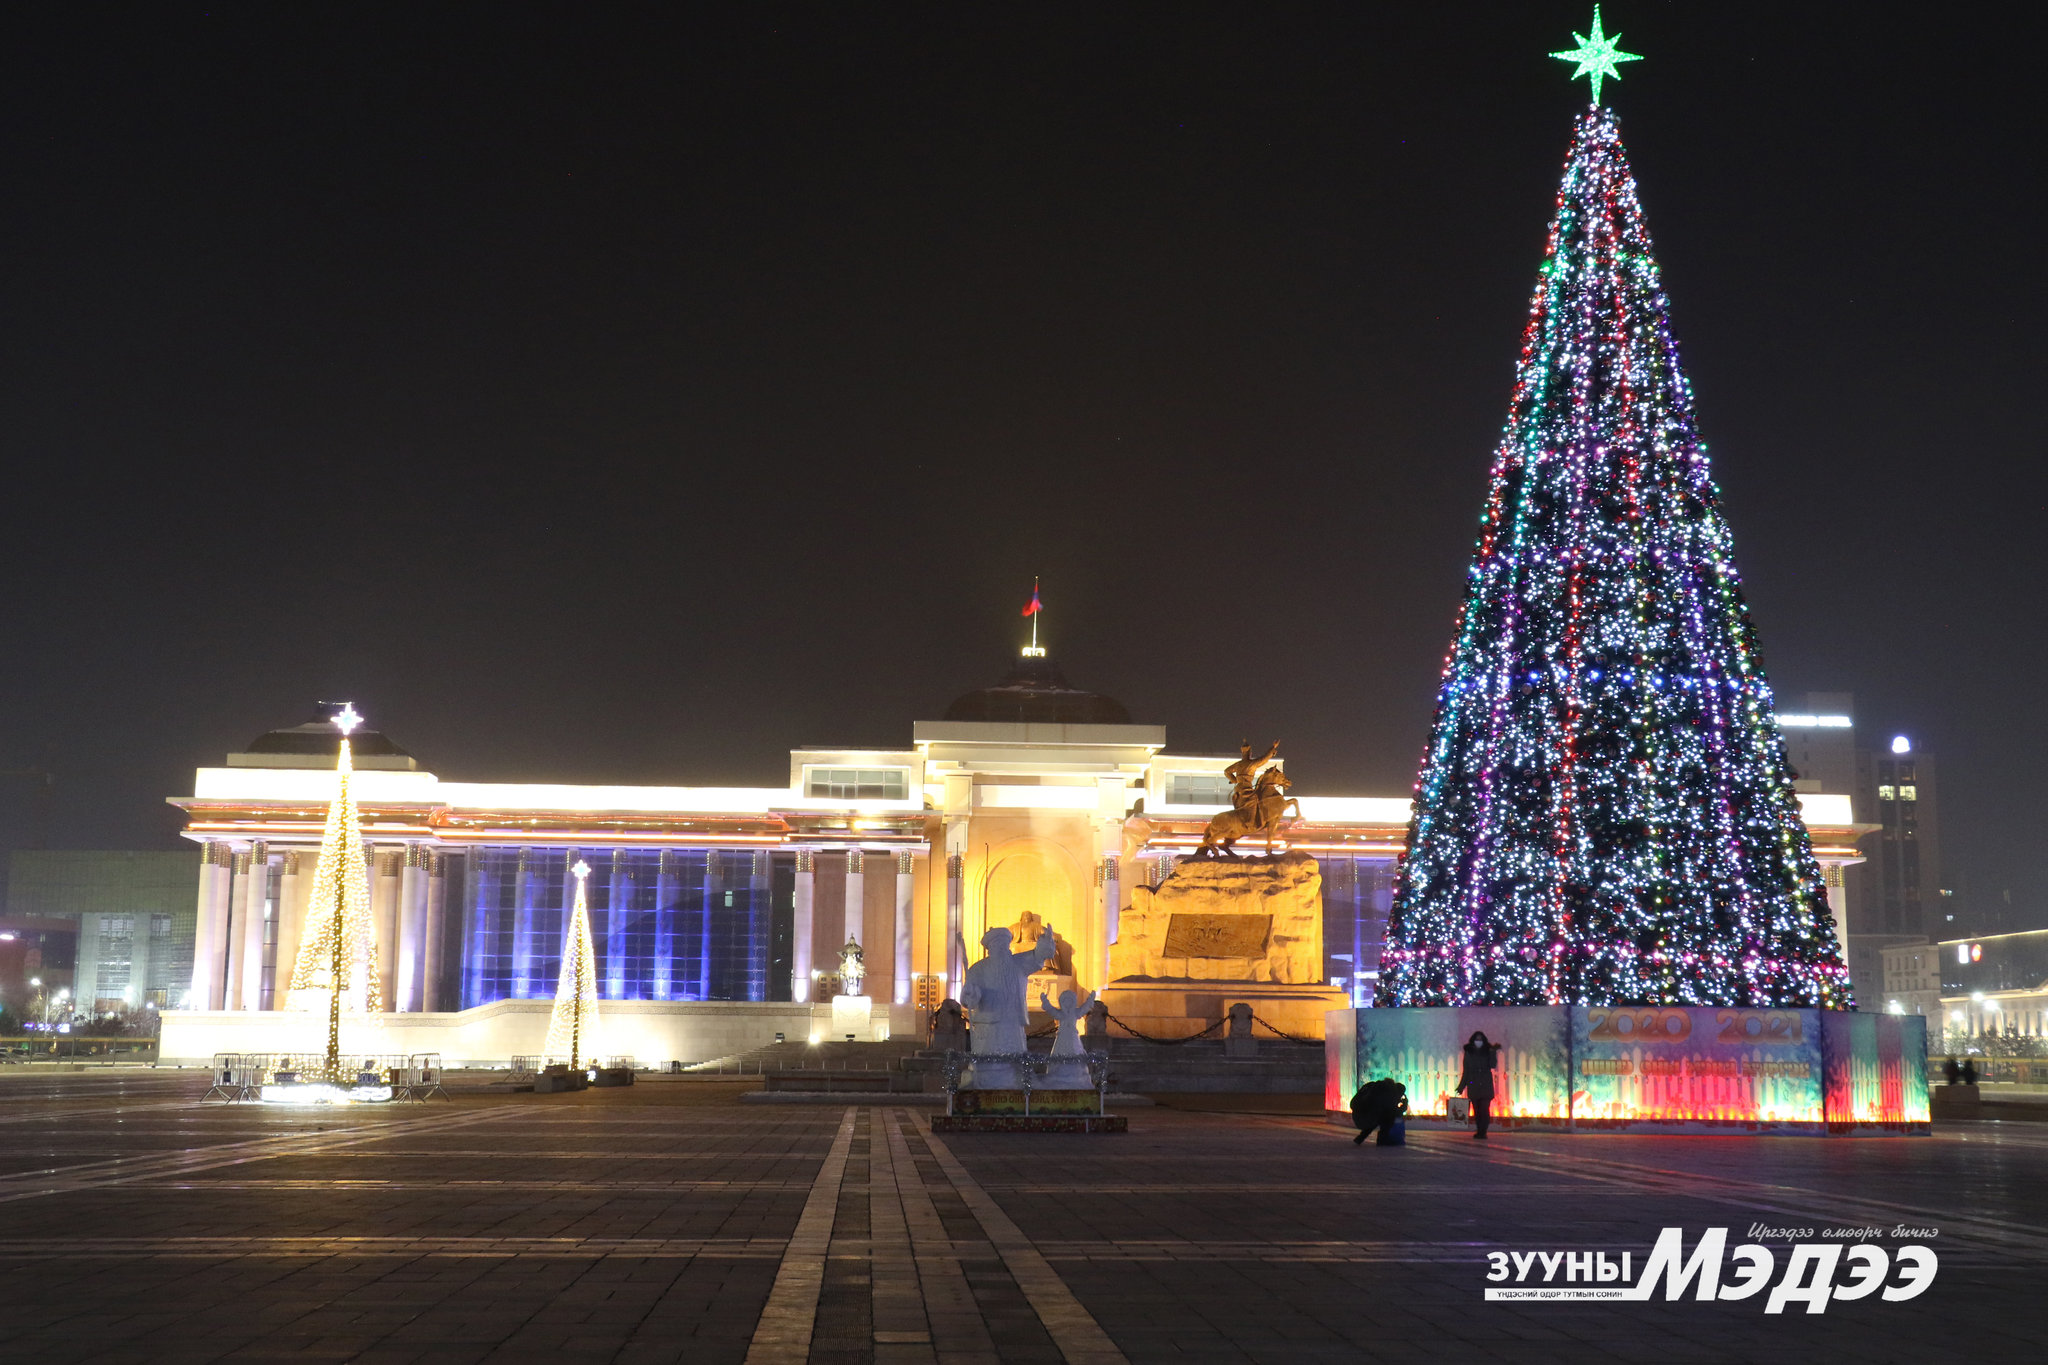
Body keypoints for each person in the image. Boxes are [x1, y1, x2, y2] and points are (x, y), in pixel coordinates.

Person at [1457, 1031, 1502, 1139]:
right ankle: (1479, 1130)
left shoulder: (1488, 1051)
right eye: (1477, 1039)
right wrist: (1461, 1086)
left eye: (1480, 1039)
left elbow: (1492, 1065)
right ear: (1473, 1041)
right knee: (1477, 1111)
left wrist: (1492, 1052)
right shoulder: (1469, 1052)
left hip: (1485, 1085)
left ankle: (1483, 1131)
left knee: (1484, 1110)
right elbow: (1466, 1071)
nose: (1478, 1041)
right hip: (1473, 1084)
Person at [1350, 1077, 1408, 1146]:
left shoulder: (1377, 1087)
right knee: (1387, 1117)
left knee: (1378, 1115)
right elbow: (1397, 1112)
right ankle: (1382, 1140)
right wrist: (1405, 1103)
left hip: (1358, 1115)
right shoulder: (1389, 1095)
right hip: (1365, 1118)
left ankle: (1360, 1138)